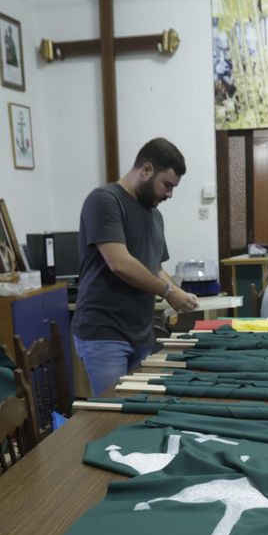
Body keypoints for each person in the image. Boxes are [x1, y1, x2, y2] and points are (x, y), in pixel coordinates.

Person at [73, 138, 199, 393]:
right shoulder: (105, 201)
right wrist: (168, 291)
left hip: (141, 333)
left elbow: (155, 267)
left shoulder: (155, 215)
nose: (169, 194)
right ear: (146, 170)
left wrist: (179, 292)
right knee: (113, 415)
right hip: (104, 334)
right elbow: (119, 263)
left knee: (138, 410)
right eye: (167, 185)